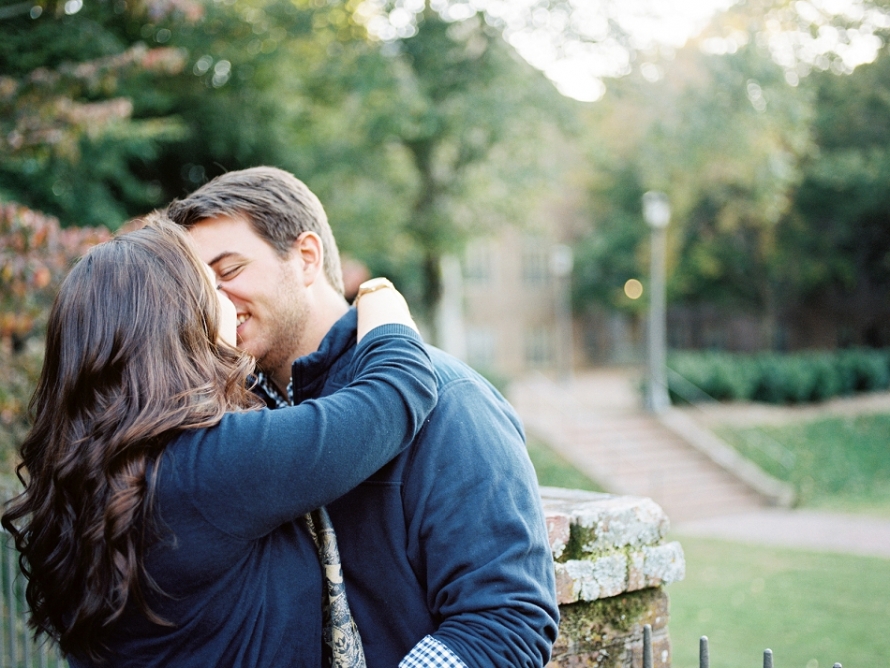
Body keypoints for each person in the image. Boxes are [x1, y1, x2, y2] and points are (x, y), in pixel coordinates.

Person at [166, 166, 560, 667]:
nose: (214, 303)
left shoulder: (448, 400)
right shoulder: (232, 422)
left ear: (306, 257)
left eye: (230, 272)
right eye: (202, 287)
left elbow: (505, 621)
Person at [1, 219, 438, 667]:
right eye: (212, 286)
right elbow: (397, 393)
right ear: (182, 320)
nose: (228, 300)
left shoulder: (81, 479)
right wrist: (379, 294)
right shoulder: (209, 464)